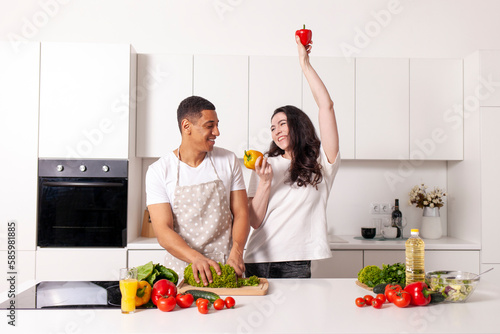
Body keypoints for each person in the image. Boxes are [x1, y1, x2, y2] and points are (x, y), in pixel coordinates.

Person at [243, 36, 341, 279]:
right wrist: (264, 182)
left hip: (296, 262)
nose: (276, 131)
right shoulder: (265, 165)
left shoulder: (321, 165)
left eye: (282, 123)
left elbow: (326, 106)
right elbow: (254, 221)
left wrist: (305, 64)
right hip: (257, 259)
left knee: (298, 318)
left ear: (298, 126)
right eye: (273, 127)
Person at [146, 96, 249, 286]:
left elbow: (242, 212)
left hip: (225, 266)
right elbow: (162, 230)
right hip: (181, 269)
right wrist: (196, 258)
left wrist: (237, 252)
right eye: (210, 125)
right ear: (187, 126)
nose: (216, 132)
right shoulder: (159, 171)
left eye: (217, 125)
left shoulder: (228, 160)